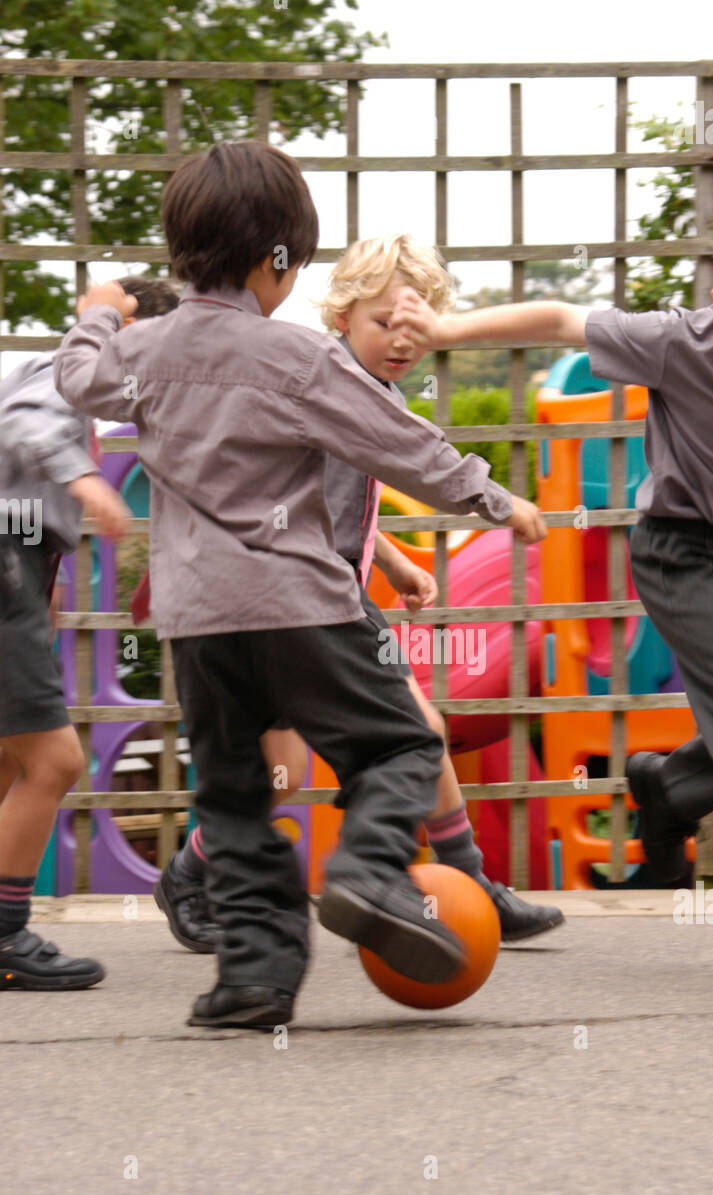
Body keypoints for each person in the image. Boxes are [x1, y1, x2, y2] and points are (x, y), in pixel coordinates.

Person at [53, 141, 547, 1031]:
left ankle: (253, 977)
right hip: (302, 608)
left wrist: (95, 312)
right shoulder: (294, 359)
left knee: (234, 796)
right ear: (277, 260)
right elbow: (402, 444)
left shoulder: (148, 351)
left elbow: (81, 379)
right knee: (398, 748)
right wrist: (494, 496)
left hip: (198, 625)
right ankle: (366, 871)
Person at [390, 220, 713, 987]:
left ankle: (665, 788)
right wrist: (444, 328)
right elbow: (557, 320)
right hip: (678, 552)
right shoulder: (679, 340)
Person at [158, 233, 563, 951]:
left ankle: (470, 882)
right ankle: (191, 875)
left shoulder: (374, 387)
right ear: (341, 318)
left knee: (419, 734)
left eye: (417, 326)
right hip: (289, 603)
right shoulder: (327, 383)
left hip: (334, 599)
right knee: (285, 772)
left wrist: (396, 563)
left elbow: (340, 507)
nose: (402, 341)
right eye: (385, 325)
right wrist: (495, 500)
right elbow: (385, 473)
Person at [0, 276, 178, 990]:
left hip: (19, 568)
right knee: (56, 762)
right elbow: (23, 427)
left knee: (13, 765)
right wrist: (84, 482)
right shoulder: (69, 373)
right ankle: (6, 938)